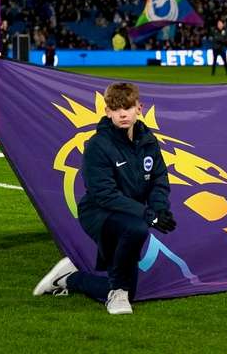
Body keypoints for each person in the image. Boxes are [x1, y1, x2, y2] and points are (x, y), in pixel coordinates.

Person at [33, 82, 176, 314]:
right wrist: (147, 214)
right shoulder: (98, 145)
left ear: (139, 108)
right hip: (99, 212)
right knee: (138, 229)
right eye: (116, 108)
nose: (122, 113)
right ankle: (116, 292)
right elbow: (105, 195)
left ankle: (69, 279)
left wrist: (159, 209)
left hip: (131, 213)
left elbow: (159, 179)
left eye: (128, 107)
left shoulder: (149, 142)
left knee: (130, 291)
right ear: (107, 111)